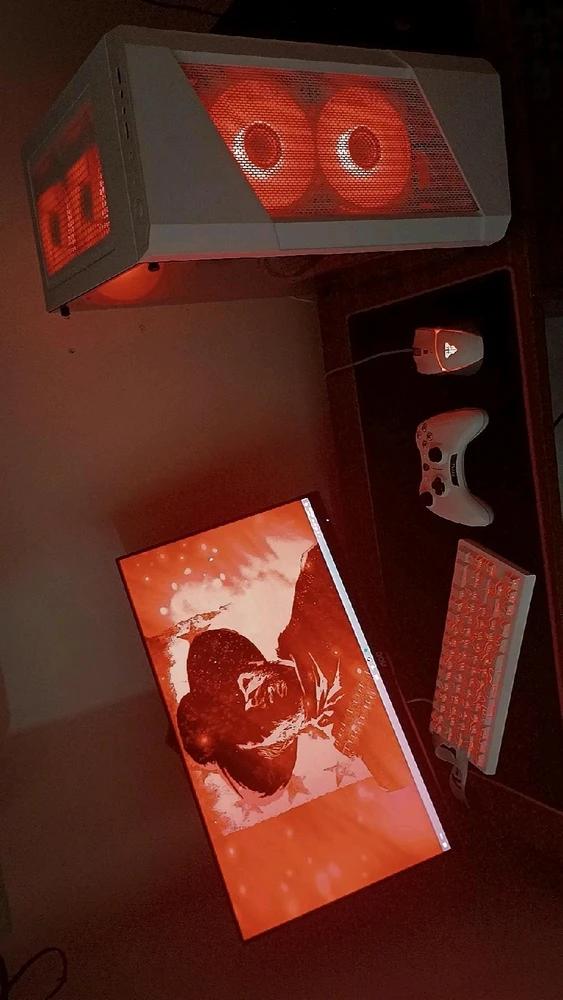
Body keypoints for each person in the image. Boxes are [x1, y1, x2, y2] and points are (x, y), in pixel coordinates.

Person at [176, 544, 411, 798]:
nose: (248, 700)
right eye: (244, 724)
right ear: (278, 745)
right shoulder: (388, 764)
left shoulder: (319, 578)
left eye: (231, 689)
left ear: (251, 664)